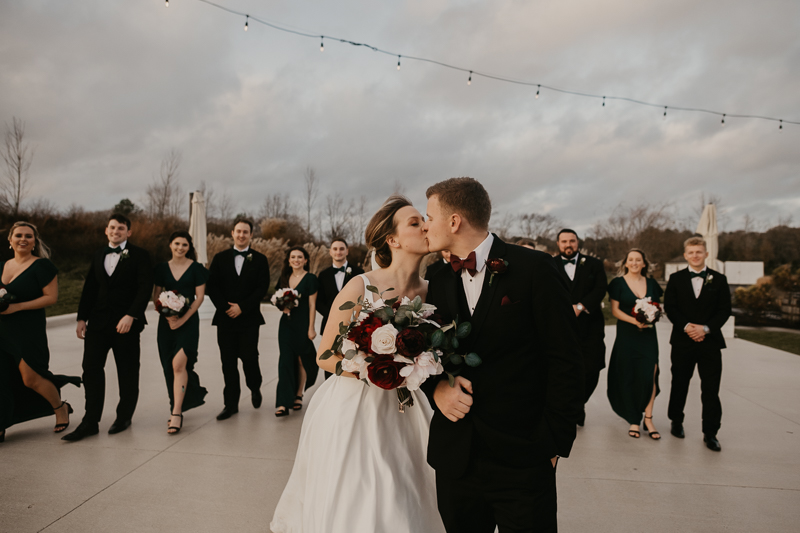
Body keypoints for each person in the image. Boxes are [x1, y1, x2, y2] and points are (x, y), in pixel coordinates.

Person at [270, 195, 445, 533]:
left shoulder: (435, 290)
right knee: (362, 493)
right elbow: (325, 354)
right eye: (414, 222)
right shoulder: (361, 285)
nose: (425, 225)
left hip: (408, 407)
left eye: (424, 219)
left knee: (407, 489)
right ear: (392, 240)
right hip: (354, 407)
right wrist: (368, 366)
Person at [422, 178, 584, 533]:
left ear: (454, 221)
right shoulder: (437, 278)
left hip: (524, 458)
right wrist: (436, 388)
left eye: (429, 216)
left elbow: (566, 358)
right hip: (456, 459)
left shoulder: (535, 269)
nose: (424, 225)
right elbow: (425, 351)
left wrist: (553, 442)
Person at [63, 214, 153, 442]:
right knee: (91, 370)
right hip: (98, 323)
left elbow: (145, 289)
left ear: (128, 232)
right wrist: (82, 318)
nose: (116, 231)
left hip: (127, 325)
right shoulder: (98, 254)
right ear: (106, 230)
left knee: (127, 372)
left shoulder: (141, 256)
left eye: (121, 228)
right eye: (112, 227)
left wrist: (131, 315)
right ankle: (90, 422)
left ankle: (123, 417)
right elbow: (90, 288)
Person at [1, 222, 80, 443]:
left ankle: (60, 407)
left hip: (28, 331)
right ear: (10, 240)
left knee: (31, 378)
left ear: (35, 241)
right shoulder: (2, 266)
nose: (23, 239)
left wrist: (16, 307)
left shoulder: (43, 266)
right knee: (1, 379)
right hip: (1, 330)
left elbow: (51, 298)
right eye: (18, 235)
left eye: (29, 236)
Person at [665, 236, 731, 452]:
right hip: (683, 341)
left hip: (710, 342)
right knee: (680, 383)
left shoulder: (719, 280)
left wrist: (705, 329)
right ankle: (676, 421)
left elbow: (724, 310)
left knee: (711, 389)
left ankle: (710, 433)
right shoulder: (675, 279)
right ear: (685, 255)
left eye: (699, 252)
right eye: (691, 252)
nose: (695, 255)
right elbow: (670, 307)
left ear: (706, 254)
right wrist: (687, 327)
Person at [206, 218, 270, 421]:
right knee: (228, 363)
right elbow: (212, 286)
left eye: (246, 232)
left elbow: (262, 287)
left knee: (250, 358)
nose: (242, 235)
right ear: (232, 233)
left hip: (249, 318)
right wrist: (226, 307)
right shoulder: (219, 258)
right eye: (238, 231)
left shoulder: (260, 259)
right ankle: (230, 404)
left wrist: (242, 307)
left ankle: (255, 386)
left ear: (251, 235)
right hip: (225, 319)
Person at [152, 231, 210, 434]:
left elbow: (199, 298)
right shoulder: (160, 268)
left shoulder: (197, 269)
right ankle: (178, 401)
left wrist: (183, 319)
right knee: (169, 365)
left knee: (179, 364)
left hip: (188, 323)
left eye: (184, 245)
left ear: (189, 247)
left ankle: (176, 412)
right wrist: (168, 316)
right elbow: (156, 296)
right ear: (170, 245)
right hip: (166, 323)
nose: (180, 248)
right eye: (177, 243)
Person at [606, 248, 663, 440]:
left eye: (638, 260)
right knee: (628, 374)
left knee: (650, 374)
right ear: (625, 263)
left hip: (648, 338)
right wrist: (635, 321)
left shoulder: (653, 284)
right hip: (626, 336)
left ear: (644, 263)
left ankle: (648, 418)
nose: (634, 263)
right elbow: (615, 311)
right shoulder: (617, 284)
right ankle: (633, 419)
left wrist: (652, 316)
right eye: (631, 260)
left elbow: (658, 308)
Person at [555, 229, 608, 426]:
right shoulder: (549, 264)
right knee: (564, 370)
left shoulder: (594, 264)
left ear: (578, 243)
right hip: (561, 327)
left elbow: (601, 288)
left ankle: (579, 404)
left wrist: (580, 306)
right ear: (558, 244)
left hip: (590, 326)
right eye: (564, 241)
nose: (568, 245)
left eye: (572, 241)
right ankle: (569, 409)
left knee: (593, 368)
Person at [274, 246, 319, 416]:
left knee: (302, 360)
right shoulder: (284, 278)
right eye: (293, 257)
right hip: (285, 325)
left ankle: (298, 394)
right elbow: (278, 299)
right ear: (289, 260)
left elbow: (312, 305)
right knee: (285, 361)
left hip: (303, 325)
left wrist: (311, 328)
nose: (296, 260)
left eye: (300, 257)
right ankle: (283, 403)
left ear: (305, 260)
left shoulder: (311, 279)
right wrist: (282, 308)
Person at [315, 238, 363, 379]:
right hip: (330, 325)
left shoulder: (359, 273)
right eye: (335, 249)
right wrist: (334, 316)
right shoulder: (323, 275)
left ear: (347, 251)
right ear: (330, 252)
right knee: (329, 358)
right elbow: (319, 302)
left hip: (353, 326)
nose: (338, 252)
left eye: (341, 249)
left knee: (352, 360)